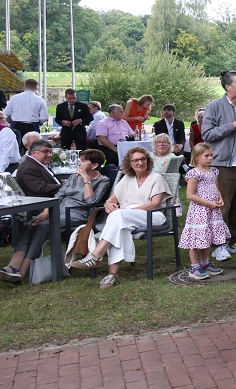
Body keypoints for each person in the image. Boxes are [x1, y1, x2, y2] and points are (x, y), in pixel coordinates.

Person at [70, 147, 169, 290]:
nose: (140, 163)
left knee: (118, 216)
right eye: (136, 160)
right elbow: (112, 199)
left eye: (143, 159)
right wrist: (108, 204)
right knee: (120, 226)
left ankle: (96, 255)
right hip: (126, 217)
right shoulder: (127, 179)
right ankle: (112, 275)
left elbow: (155, 204)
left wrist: (126, 211)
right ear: (129, 163)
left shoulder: (156, 178)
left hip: (152, 215)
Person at [200, 71, 236, 261]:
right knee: (222, 206)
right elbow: (207, 134)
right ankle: (219, 245)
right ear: (227, 86)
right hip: (223, 164)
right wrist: (233, 125)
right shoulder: (215, 106)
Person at [0, 141, 63, 284]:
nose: (49, 155)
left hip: (54, 205)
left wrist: (63, 185)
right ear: (33, 152)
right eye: (45, 151)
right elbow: (41, 188)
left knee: (37, 225)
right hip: (43, 204)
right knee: (34, 225)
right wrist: (63, 186)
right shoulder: (29, 167)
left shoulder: (37, 164)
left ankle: (18, 270)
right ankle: (15, 267)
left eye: (50, 152)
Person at [179, 143, 230, 280]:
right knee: (196, 237)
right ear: (196, 157)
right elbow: (190, 195)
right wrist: (208, 203)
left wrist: (220, 199)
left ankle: (205, 263)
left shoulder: (213, 171)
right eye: (206, 156)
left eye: (211, 155)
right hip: (199, 211)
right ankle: (194, 266)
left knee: (207, 235)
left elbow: (216, 188)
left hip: (212, 211)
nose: (210, 158)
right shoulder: (194, 173)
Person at [6, 79, 48, 154]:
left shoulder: (15, 97)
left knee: (15, 148)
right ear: (36, 88)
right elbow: (44, 118)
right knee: (33, 149)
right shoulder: (40, 100)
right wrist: (39, 121)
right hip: (32, 125)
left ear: (24, 87)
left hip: (17, 125)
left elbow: (7, 112)